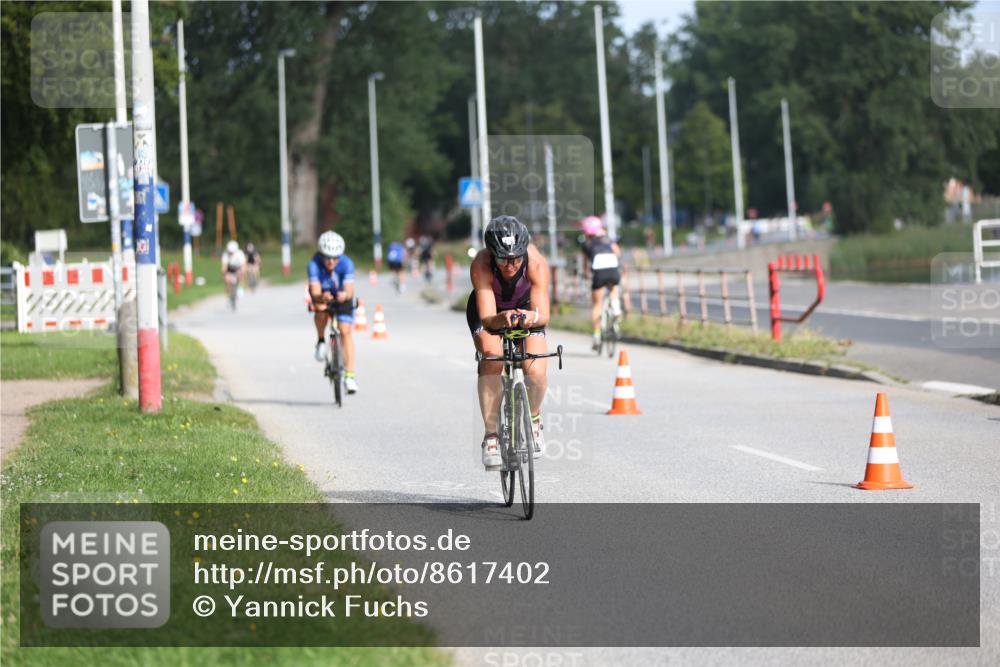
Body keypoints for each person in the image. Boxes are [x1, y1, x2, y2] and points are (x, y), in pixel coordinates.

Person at [466, 216, 550, 470]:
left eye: (515, 258)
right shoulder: (481, 264)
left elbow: (543, 315)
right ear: (492, 254)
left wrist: (528, 317)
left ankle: (534, 421)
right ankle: (491, 436)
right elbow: (488, 318)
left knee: (534, 369)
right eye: (502, 259)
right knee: (493, 358)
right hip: (491, 311)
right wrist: (501, 319)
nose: (510, 265)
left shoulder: (535, 263)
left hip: (526, 309)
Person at [308, 231, 359, 394]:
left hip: (342, 297)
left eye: (335, 258)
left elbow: (350, 290)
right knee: (320, 310)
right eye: (327, 257)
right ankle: (321, 340)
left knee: (345, 332)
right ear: (321, 255)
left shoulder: (347, 264)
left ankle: (350, 377)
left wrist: (345, 295)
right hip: (323, 296)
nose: (331, 261)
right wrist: (321, 296)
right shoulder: (314, 264)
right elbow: (315, 290)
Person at [580, 216, 622, 350]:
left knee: (597, 304)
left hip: (598, 272)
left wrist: (586, 274)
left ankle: (597, 336)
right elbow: (618, 252)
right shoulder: (609, 239)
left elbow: (585, 264)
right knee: (613, 288)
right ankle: (615, 307)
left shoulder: (587, 244)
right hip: (612, 268)